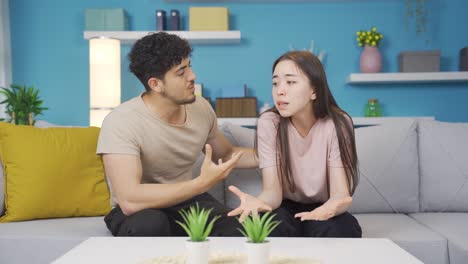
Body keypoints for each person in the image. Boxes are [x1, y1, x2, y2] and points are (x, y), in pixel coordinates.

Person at [97, 32, 258, 237]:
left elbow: (225, 154)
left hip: (186, 201)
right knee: (150, 225)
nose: (193, 76)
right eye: (181, 72)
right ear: (155, 84)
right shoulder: (121, 121)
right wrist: (200, 183)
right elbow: (129, 199)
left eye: (189, 66)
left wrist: (276, 155)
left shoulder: (201, 107)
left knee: (238, 227)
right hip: (141, 209)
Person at [228, 51, 362, 238]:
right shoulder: (270, 122)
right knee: (266, 227)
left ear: (314, 90)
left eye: (290, 82)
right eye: (275, 83)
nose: (280, 91)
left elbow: (340, 194)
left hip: (323, 205)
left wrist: (333, 207)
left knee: (342, 229)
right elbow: (272, 192)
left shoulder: (338, 124)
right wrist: (258, 202)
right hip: (284, 205)